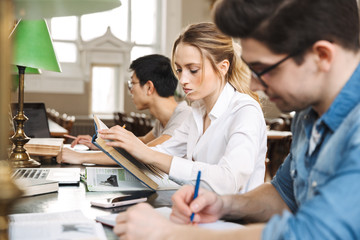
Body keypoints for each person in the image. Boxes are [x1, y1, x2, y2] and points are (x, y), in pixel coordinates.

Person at [112, 0, 360, 239]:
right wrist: (224, 204)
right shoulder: (307, 114)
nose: (253, 84)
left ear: (323, 56)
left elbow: (312, 234)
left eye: (262, 69)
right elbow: (284, 194)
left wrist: (169, 234)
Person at [98, 22, 267, 195]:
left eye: (193, 70)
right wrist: (125, 145)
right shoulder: (197, 112)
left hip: (238, 219)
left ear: (222, 67)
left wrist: (147, 153)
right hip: (201, 211)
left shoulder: (246, 111)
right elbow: (163, 152)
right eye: (179, 70)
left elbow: (228, 181)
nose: (183, 79)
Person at [57, 54, 191, 165]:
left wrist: (81, 157)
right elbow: (143, 142)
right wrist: (103, 144)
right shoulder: (163, 120)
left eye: (132, 84)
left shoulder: (183, 119)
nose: (130, 90)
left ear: (149, 87)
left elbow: (143, 152)